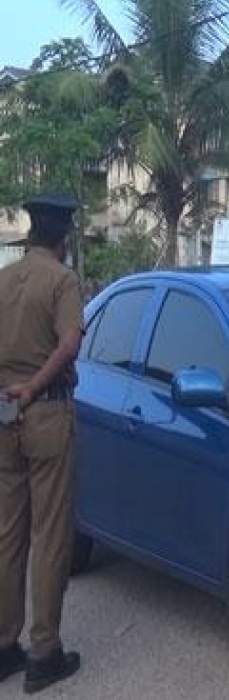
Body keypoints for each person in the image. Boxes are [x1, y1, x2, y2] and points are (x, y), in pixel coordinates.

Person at [0, 195, 85, 693]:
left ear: (31, 234)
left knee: (8, 535)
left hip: (3, 415)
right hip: (45, 412)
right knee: (50, 537)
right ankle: (44, 651)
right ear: (64, 239)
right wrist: (34, 387)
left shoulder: (4, 279)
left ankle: (5, 645)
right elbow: (70, 344)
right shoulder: (62, 280)